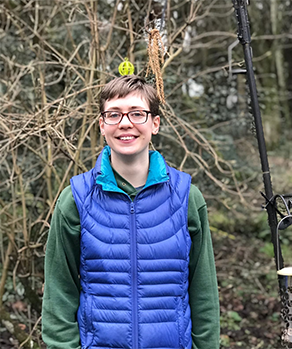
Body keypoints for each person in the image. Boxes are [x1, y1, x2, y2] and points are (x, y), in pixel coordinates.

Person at [42, 75, 220, 349]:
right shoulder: (75, 200)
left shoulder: (187, 198)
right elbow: (58, 294)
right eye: (114, 114)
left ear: (155, 124)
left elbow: (204, 292)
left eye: (137, 113)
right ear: (102, 125)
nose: (125, 123)